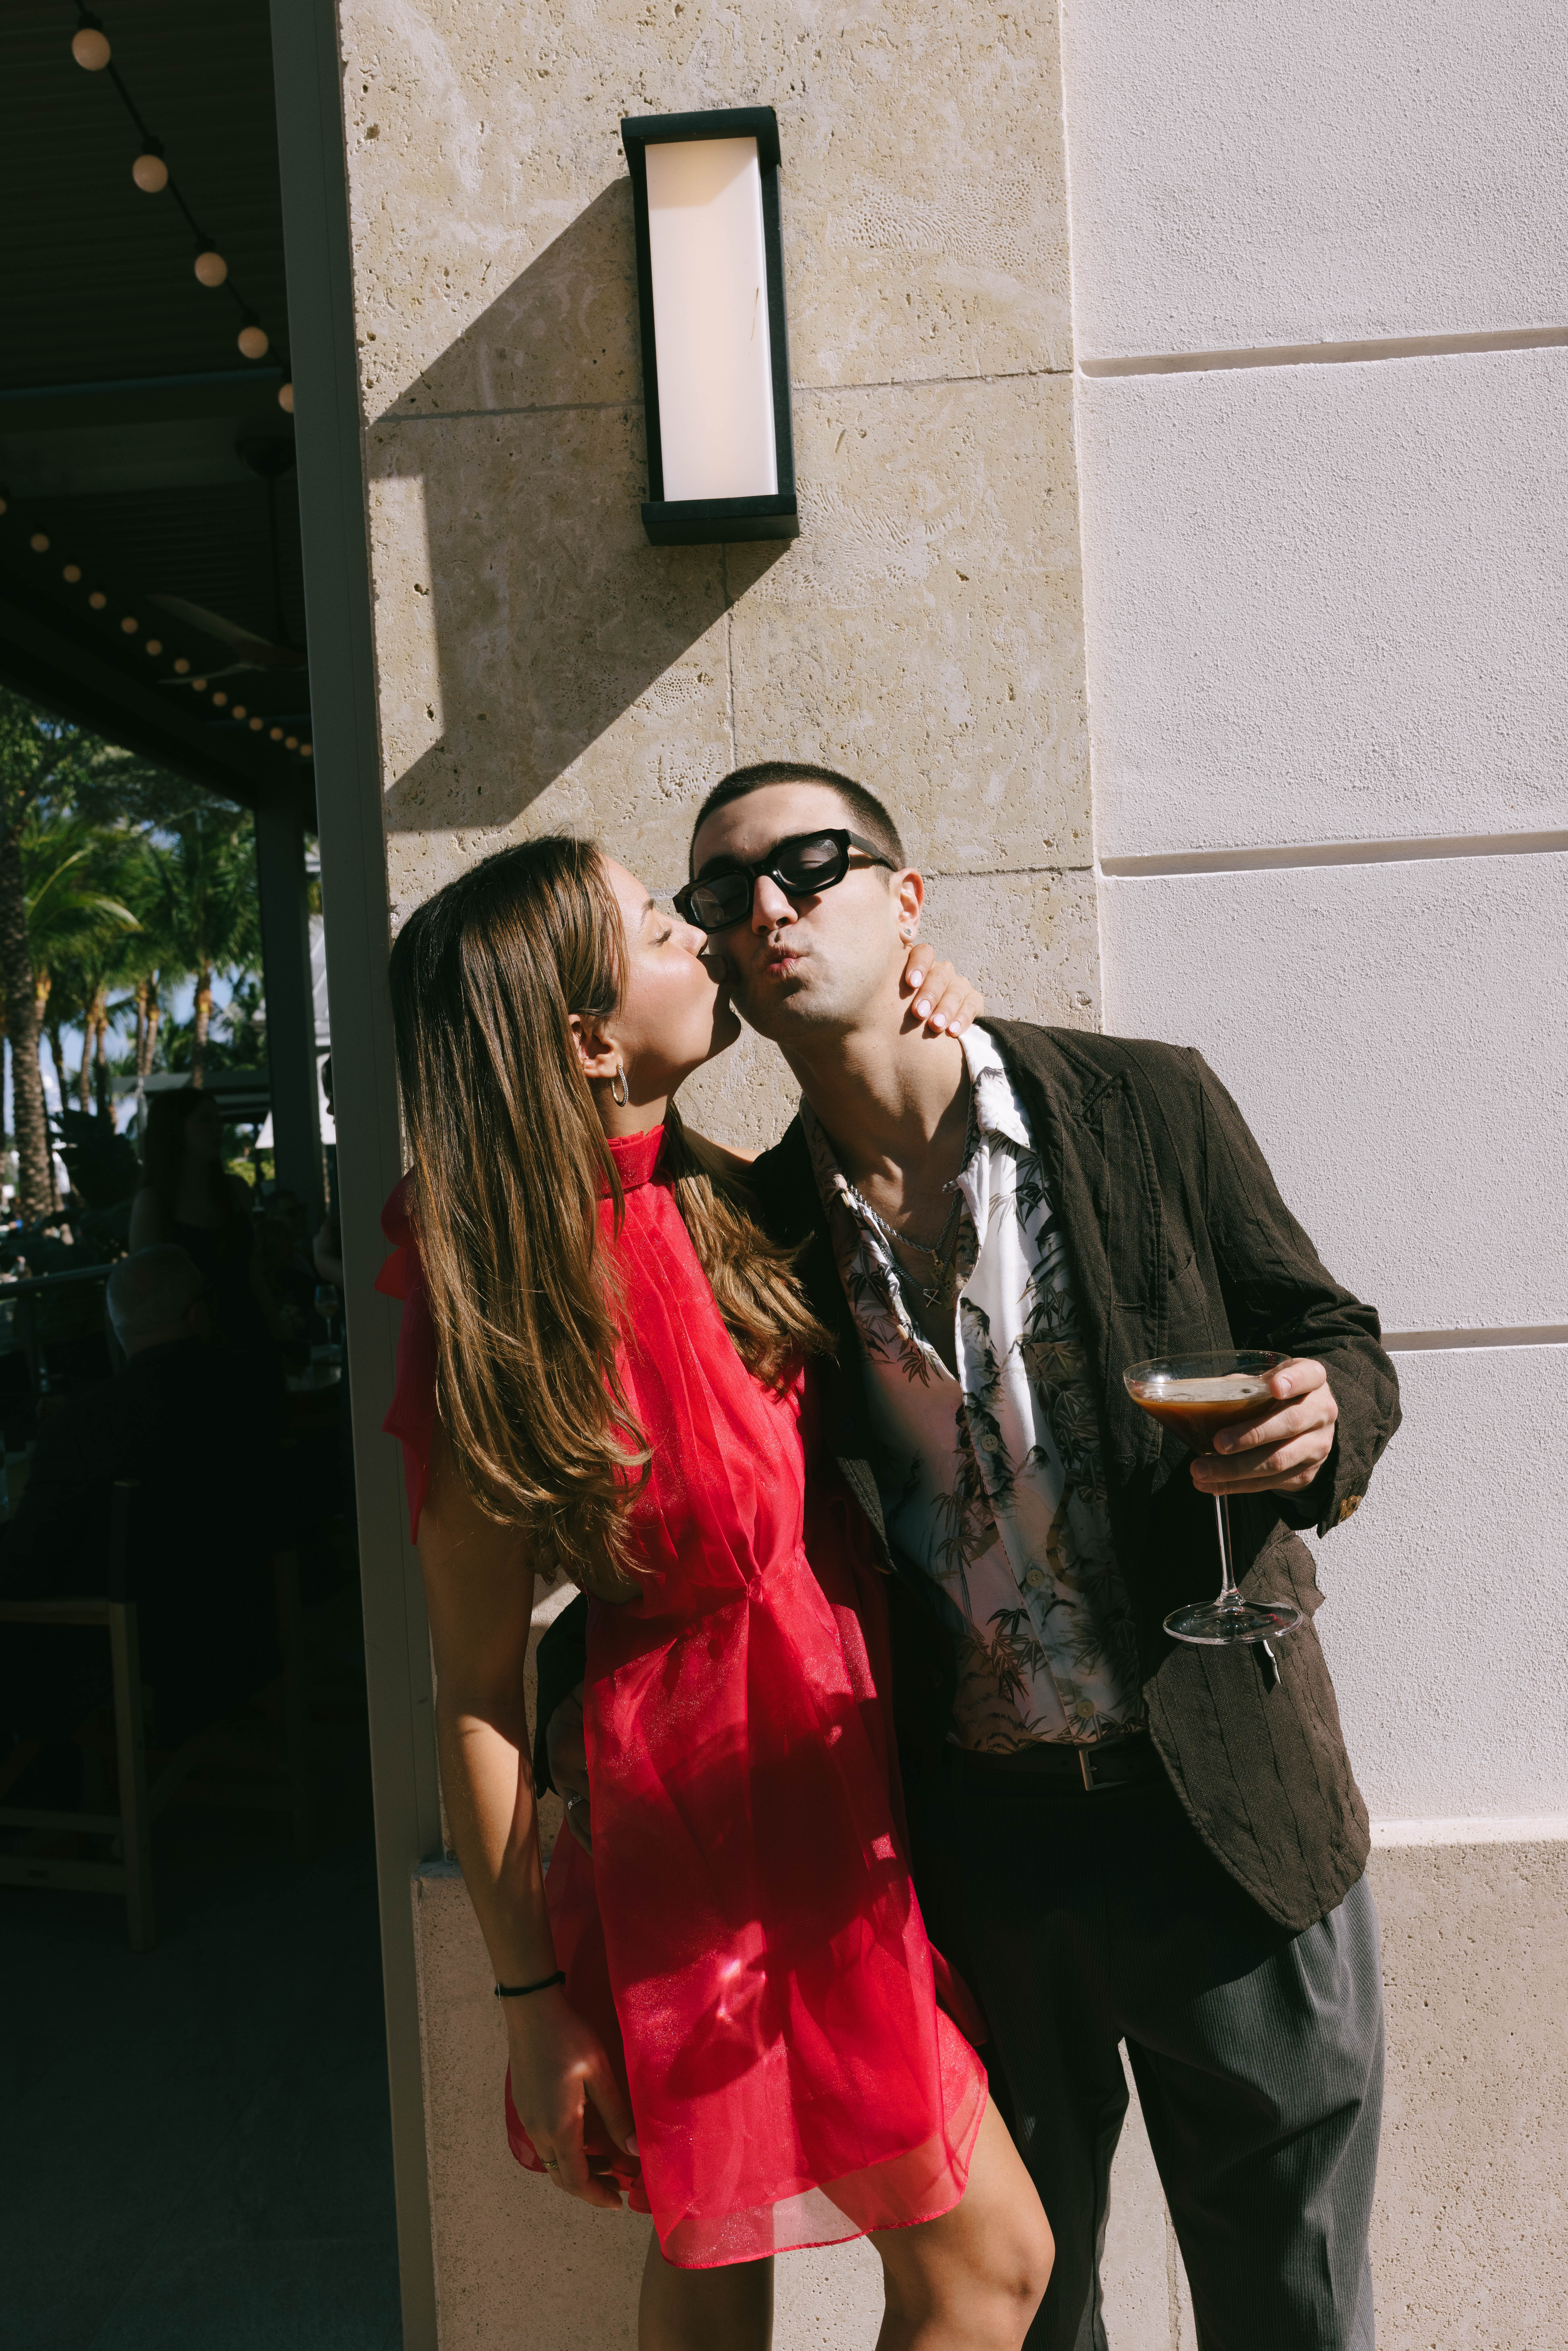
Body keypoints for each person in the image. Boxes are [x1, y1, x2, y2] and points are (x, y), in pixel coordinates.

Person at [538, 762, 1402, 2351]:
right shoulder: (752, 1239)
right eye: (723, 892)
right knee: (1025, 2307)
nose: (770, 903)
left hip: (1226, 1816)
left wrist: (1322, 1414)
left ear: (907, 897)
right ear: (715, 954)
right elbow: (688, 1567)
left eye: (814, 862)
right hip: (974, 1863)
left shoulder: (1145, 1101)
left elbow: (1332, 1335)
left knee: (1290, 2299)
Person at [380, 838, 1053, 2351]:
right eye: (654, 925)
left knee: (722, 2268)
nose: (699, 935)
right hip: (713, 1839)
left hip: (838, 1782)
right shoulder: (504, 1311)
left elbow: (940, 1199)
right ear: (587, 1040)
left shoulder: (729, 1198)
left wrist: (932, 1014)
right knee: (983, 2269)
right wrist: (530, 2001)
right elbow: (476, 1696)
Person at [0, 1245, 283, 1758]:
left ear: (117, 1325)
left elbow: (26, 1567)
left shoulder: (83, 1428)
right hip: (247, 1623)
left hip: (129, 1654)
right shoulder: (253, 1385)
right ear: (197, 1312)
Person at [129, 1089, 281, 1374]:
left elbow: (251, 1271)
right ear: (175, 1129)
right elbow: (146, 1294)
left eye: (218, 1119)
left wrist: (280, 1334)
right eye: (205, 1120)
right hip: (191, 1355)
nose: (218, 1128)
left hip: (252, 1336)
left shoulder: (237, 1191)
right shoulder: (154, 1204)